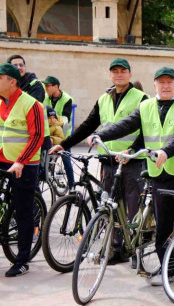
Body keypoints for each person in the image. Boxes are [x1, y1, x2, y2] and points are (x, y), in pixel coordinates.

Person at [93, 67, 174, 286]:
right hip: (157, 175)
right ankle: (167, 271)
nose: (165, 86)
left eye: (170, 82)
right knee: (163, 227)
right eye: (161, 82)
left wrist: (166, 151)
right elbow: (128, 125)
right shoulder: (146, 105)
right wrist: (101, 134)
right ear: (154, 85)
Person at [49, 58, 148, 261]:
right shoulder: (104, 98)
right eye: (115, 71)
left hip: (131, 161)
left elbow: (148, 128)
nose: (119, 74)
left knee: (132, 208)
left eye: (123, 71)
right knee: (111, 206)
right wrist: (64, 144)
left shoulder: (142, 98)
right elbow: (88, 125)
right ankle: (117, 249)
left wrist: (132, 149)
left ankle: (136, 250)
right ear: (110, 74)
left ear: (130, 74)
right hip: (108, 159)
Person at [0, 63, 45, 277]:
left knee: (23, 210)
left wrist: (21, 161)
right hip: (2, 159)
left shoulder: (31, 104)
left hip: (24, 165)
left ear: (12, 80)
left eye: (0, 77)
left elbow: (37, 136)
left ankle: (22, 260)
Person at [43, 76, 74, 187]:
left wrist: (53, 119)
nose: (46, 88)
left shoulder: (67, 99)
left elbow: (66, 118)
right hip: (50, 133)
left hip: (64, 136)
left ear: (56, 86)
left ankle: (72, 187)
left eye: (48, 86)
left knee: (67, 162)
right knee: (43, 161)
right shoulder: (46, 97)